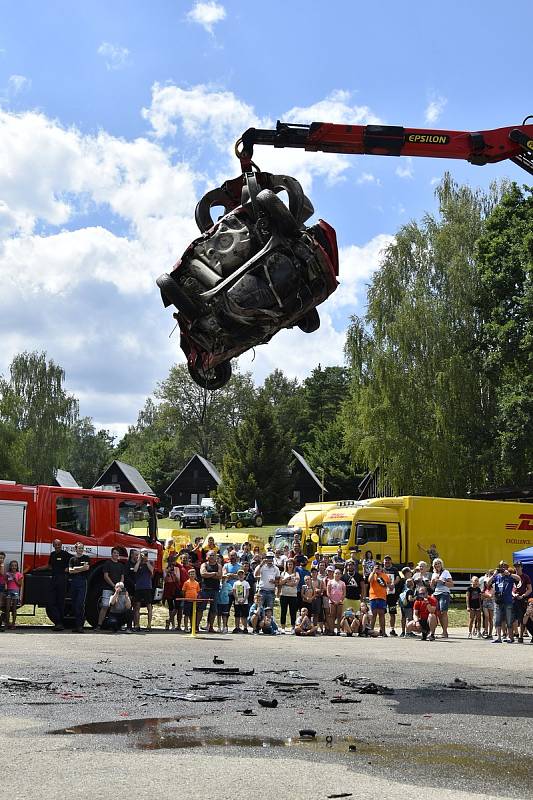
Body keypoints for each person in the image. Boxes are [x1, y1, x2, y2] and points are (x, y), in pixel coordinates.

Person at [487, 561, 519, 643]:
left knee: (509, 620)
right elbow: (488, 583)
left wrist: (509, 574)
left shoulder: (510, 576)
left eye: (504, 567)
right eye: (501, 567)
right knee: (498, 620)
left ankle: (510, 637)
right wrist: (494, 574)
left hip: (508, 601)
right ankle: (499, 638)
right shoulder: (497, 577)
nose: (502, 568)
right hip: (499, 601)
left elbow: (518, 578)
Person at [97, 547, 125, 630]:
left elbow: (122, 577)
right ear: (111, 554)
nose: (116, 554)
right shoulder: (107, 563)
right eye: (115, 553)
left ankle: (118, 625)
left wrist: (119, 585)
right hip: (108, 588)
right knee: (105, 606)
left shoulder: (121, 565)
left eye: (117, 553)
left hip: (118, 589)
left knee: (119, 608)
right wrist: (114, 586)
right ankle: (99, 625)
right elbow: (106, 576)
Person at [45, 539, 70, 630]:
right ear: (53, 545)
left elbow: (75, 560)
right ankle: (58, 622)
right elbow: (49, 566)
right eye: (56, 544)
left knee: (60, 602)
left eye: (59, 544)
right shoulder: (52, 554)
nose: (57, 546)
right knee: (50, 602)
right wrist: (37, 569)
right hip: (54, 578)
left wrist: (69, 568)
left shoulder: (65, 554)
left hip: (62, 579)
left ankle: (59, 623)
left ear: (61, 545)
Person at [68, 542, 90, 633]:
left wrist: (76, 569)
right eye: (79, 548)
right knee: (74, 604)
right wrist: (81, 568)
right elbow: (70, 571)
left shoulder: (86, 558)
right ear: (75, 549)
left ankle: (80, 626)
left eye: (82, 548)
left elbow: (87, 568)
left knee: (80, 604)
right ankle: (76, 626)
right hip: (74, 582)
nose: (81, 550)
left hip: (82, 582)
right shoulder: (72, 559)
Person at [430, 558, 454, 639]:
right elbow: (432, 587)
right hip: (436, 593)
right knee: (437, 612)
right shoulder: (433, 574)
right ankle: (438, 631)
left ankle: (445, 632)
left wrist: (442, 582)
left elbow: (451, 584)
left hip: (444, 593)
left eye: (438, 563)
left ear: (441, 564)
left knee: (443, 612)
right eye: (435, 564)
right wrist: (432, 582)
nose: (437, 565)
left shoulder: (446, 572)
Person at [200, 550, 222, 633]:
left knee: (214, 609)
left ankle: (210, 627)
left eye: (213, 555)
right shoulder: (204, 564)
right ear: (207, 556)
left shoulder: (219, 565)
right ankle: (196, 626)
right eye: (211, 555)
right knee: (201, 608)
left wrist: (209, 574)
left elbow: (219, 576)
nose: (212, 557)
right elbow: (203, 574)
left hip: (215, 590)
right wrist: (214, 573)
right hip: (205, 589)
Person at [133, 548, 154, 632]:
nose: (144, 555)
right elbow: (135, 570)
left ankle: (149, 625)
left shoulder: (150, 562)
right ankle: (137, 625)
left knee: (149, 607)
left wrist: (146, 561)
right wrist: (139, 561)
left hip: (147, 587)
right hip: (139, 587)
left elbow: (152, 570)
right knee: (137, 606)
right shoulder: (137, 563)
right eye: (143, 554)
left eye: (145, 554)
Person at [512, 561, 532, 643]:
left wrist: (523, 595)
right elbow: (510, 589)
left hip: (522, 600)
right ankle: (512, 635)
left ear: (521, 567)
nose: (517, 568)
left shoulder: (525, 577)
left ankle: (521, 636)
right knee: (512, 619)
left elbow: (530, 589)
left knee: (522, 619)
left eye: (519, 566)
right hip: (513, 600)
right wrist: (513, 594)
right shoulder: (512, 577)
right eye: (516, 566)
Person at [279, 558, 299, 633]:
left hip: (293, 595)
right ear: (286, 565)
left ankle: (293, 627)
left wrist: (286, 583)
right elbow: (280, 583)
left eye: (291, 564)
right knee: (283, 611)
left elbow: (295, 583)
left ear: (293, 565)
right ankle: (283, 628)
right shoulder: (283, 573)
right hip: (284, 594)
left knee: (293, 612)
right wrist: (287, 579)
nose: (290, 565)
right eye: (288, 564)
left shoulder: (296, 573)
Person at [368, 561, 388, 637]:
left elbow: (388, 584)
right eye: (376, 567)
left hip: (382, 597)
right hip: (373, 597)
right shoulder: (372, 575)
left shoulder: (385, 575)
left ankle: (383, 632)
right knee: (373, 615)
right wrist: (373, 572)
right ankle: (371, 631)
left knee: (382, 614)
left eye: (379, 567)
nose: (378, 568)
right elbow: (370, 580)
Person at [382, 555, 400, 636]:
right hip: (383, 595)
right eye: (386, 561)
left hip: (392, 595)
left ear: (391, 561)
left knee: (392, 612)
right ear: (383, 562)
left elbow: (398, 578)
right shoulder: (381, 570)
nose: (387, 562)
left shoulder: (394, 569)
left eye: (388, 560)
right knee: (382, 612)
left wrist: (393, 584)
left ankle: (392, 629)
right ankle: (382, 629)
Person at [326, 568, 346, 636]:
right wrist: (332, 600)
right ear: (334, 574)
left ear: (340, 575)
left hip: (340, 601)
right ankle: (331, 630)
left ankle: (338, 630)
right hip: (332, 601)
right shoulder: (330, 582)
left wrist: (340, 600)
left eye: (339, 573)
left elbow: (344, 593)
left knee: (339, 616)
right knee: (332, 616)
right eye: (336, 573)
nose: (337, 575)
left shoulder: (342, 583)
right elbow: (328, 592)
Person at [4, 560, 23, 629]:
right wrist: (6, 585)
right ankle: (7, 623)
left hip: (15, 592)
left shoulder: (19, 574)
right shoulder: (7, 574)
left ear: (17, 567)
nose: (13, 567)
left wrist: (15, 578)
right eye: (12, 565)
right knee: (7, 608)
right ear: (10, 566)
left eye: (15, 565)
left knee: (14, 608)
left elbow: (20, 585)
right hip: (8, 591)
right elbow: (5, 581)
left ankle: (13, 624)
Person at [162, 563, 181, 630]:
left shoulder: (177, 569)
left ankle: (169, 620)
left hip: (175, 587)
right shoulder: (165, 569)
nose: (171, 566)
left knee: (177, 606)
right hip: (168, 587)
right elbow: (165, 580)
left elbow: (178, 579)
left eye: (172, 565)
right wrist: (167, 572)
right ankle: (172, 625)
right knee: (170, 606)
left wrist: (174, 573)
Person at [232, 568, 250, 633]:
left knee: (244, 615)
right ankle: (237, 627)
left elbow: (247, 592)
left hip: (244, 602)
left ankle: (245, 627)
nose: (241, 575)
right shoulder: (235, 583)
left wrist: (244, 600)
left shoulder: (246, 583)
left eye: (242, 574)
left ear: (244, 575)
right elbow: (234, 592)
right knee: (237, 615)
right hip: (237, 602)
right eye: (239, 574)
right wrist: (237, 599)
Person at [182, 568, 201, 632]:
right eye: (191, 574)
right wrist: (185, 597)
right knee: (186, 614)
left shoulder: (197, 583)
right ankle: (186, 627)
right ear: (188, 575)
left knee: (193, 615)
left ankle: (193, 627)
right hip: (187, 601)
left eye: (193, 574)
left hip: (194, 601)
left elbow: (198, 592)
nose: (192, 575)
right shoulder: (186, 583)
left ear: (195, 575)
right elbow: (183, 591)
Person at [480, 569, 495, 639]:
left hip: (491, 603)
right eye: (486, 582)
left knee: (490, 619)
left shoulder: (493, 586)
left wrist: (485, 595)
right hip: (485, 603)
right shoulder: (484, 588)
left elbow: (491, 596)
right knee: (486, 616)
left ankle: (490, 633)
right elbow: (482, 595)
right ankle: (486, 630)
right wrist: (486, 595)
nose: (487, 583)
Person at [0, 552, 6, 631]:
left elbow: (1, 572)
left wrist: (1, 565)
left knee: (0, 602)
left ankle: (1, 621)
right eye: (0, 557)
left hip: (1, 585)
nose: (1, 559)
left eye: (2, 558)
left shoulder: (2, 565)